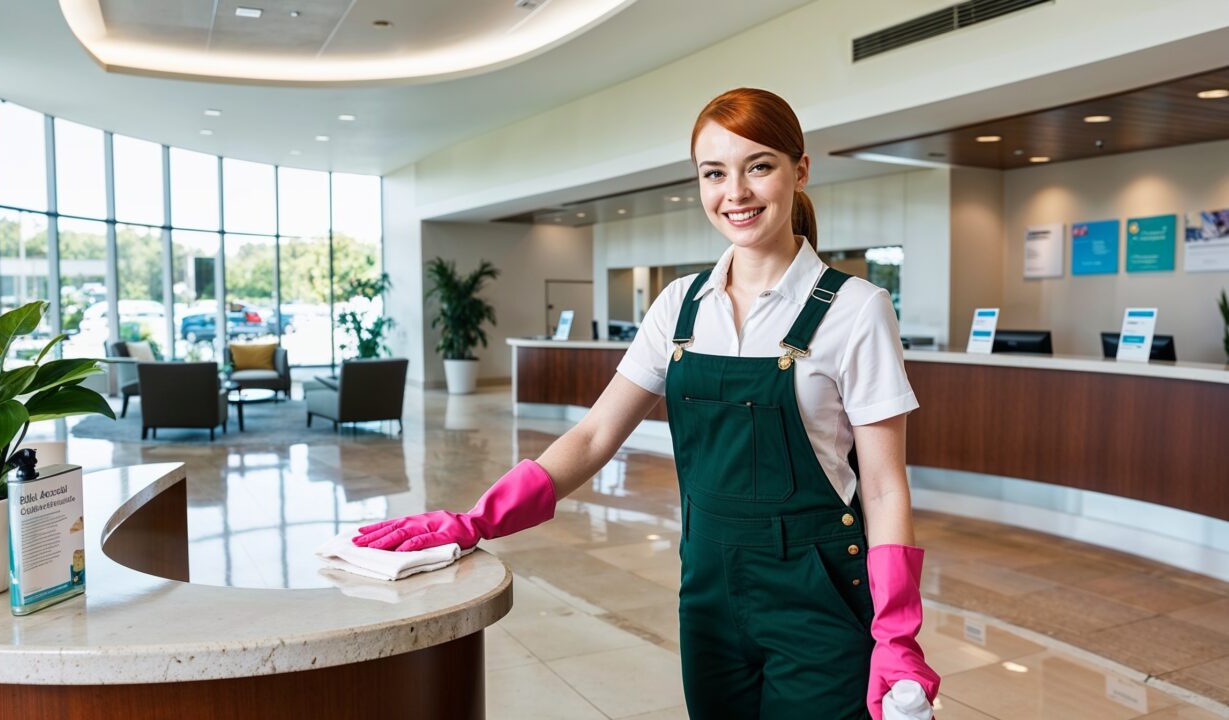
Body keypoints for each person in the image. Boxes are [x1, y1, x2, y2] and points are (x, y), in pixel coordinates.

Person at [353, 88, 939, 720]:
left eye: (759, 166)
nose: (735, 192)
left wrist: (897, 633)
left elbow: (883, 489)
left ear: (800, 170)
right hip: (709, 598)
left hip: (818, 598)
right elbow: (596, 436)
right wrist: (478, 519)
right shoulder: (679, 307)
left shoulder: (855, 310)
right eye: (714, 173)